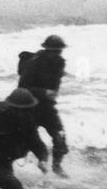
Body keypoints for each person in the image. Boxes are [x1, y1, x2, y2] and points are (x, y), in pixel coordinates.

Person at [16, 35, 68, 175]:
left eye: (59, 51)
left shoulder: (60, 63)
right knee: (23, 142)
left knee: (59, 137)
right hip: (29, 107)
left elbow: (55, 87)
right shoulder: (34, 62)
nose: (58, 54)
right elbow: (23, 87)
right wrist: (44, 92)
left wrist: (49, 95)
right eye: (55, 51)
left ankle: (57, 167)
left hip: (47, 107)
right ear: (46, 49)